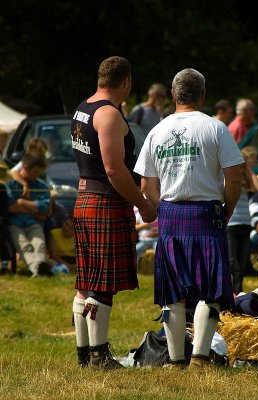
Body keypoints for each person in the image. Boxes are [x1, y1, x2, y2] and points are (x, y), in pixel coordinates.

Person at [134, 68, 244, 368]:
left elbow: (146, 184)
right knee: (210, 287)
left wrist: (163, 210)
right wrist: (228, 208)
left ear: (173, 95)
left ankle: (175, 360)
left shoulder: (157, 130)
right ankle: (200, 358)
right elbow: (235, 177)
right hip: (207, 212)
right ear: (203, 95)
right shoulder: (215, 128)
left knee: (173, 289)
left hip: (170, 213)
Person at [71, 56, 157, 369]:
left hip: (85, 199)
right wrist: (143, 203)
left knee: (86, 281)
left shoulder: (83, 107)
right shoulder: (108, 114)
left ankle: (85, 355)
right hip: (105, 202)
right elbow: (113, 169)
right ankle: (98, 356)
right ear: (126, 83)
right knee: (101, 284)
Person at [6, 153, 52, 277]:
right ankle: (39, 268)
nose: (36, 176)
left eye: (39, 173)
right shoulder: (10, 184)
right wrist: (33, 209)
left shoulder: (41, 186)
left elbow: (44, 206)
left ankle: (40, 267)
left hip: (33, 223)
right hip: (15, 224)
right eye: (35, 172)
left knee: (39, 245)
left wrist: (22, 202)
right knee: (25, 246)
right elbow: (11, 207)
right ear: (25, 168)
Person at [226, 147, 258, 294]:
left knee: (241, 262)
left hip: (245, 224)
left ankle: (237, 291)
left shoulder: (246, 179)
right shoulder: (228, 177)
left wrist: (248, 170)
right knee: (232, 260)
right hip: (231, 224)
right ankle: (232, 290)